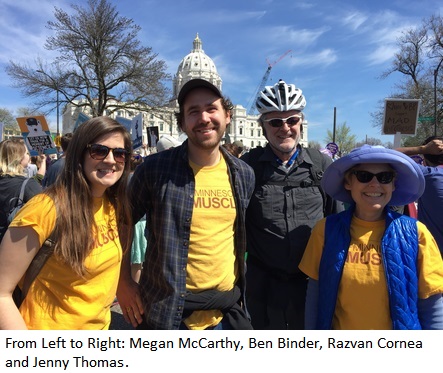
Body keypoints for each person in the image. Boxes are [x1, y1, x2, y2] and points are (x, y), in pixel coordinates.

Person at [117, 78, 255, 330]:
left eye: (211, 108)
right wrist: (123, 281)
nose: (204, 118)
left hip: (225, 314)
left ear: (227, 116)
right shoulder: (155, 169)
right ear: (181, 122)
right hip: (166, 315)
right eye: (193, 111)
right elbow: (120, 221)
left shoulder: (244, 174)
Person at [0, 117, 133, 329]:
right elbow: (2, 293)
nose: (111, 160)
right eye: (99, 150)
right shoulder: (44, 209)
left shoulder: (114, 205)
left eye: (119, 153)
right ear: (79, 154)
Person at [299, 145, 443, 330]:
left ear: (393, 184)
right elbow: (315, 296)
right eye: (364, 176)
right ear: (348, 182)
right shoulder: (325, 230)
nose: (375, 184)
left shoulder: (417, 233)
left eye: (384, 177)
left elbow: (432, 305)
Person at [240, 79, 343, 330]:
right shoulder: (247, 167)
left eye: (292, 120)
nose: (285, 128)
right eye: (275, 121)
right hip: (262, 284)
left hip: (310, 284)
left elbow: (338, 225)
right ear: (263, 126)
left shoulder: (322, 166)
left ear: (301, 123)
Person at [396, 136, 443, 255]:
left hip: (433, 255)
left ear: (425, 158)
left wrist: (423, 149)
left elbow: (389, 156)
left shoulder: (429, 175)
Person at [0, 139, 43, 241]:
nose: (29, 156)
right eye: (27, 153)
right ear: (19, 158)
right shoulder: (29, 185)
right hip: (14, 245)